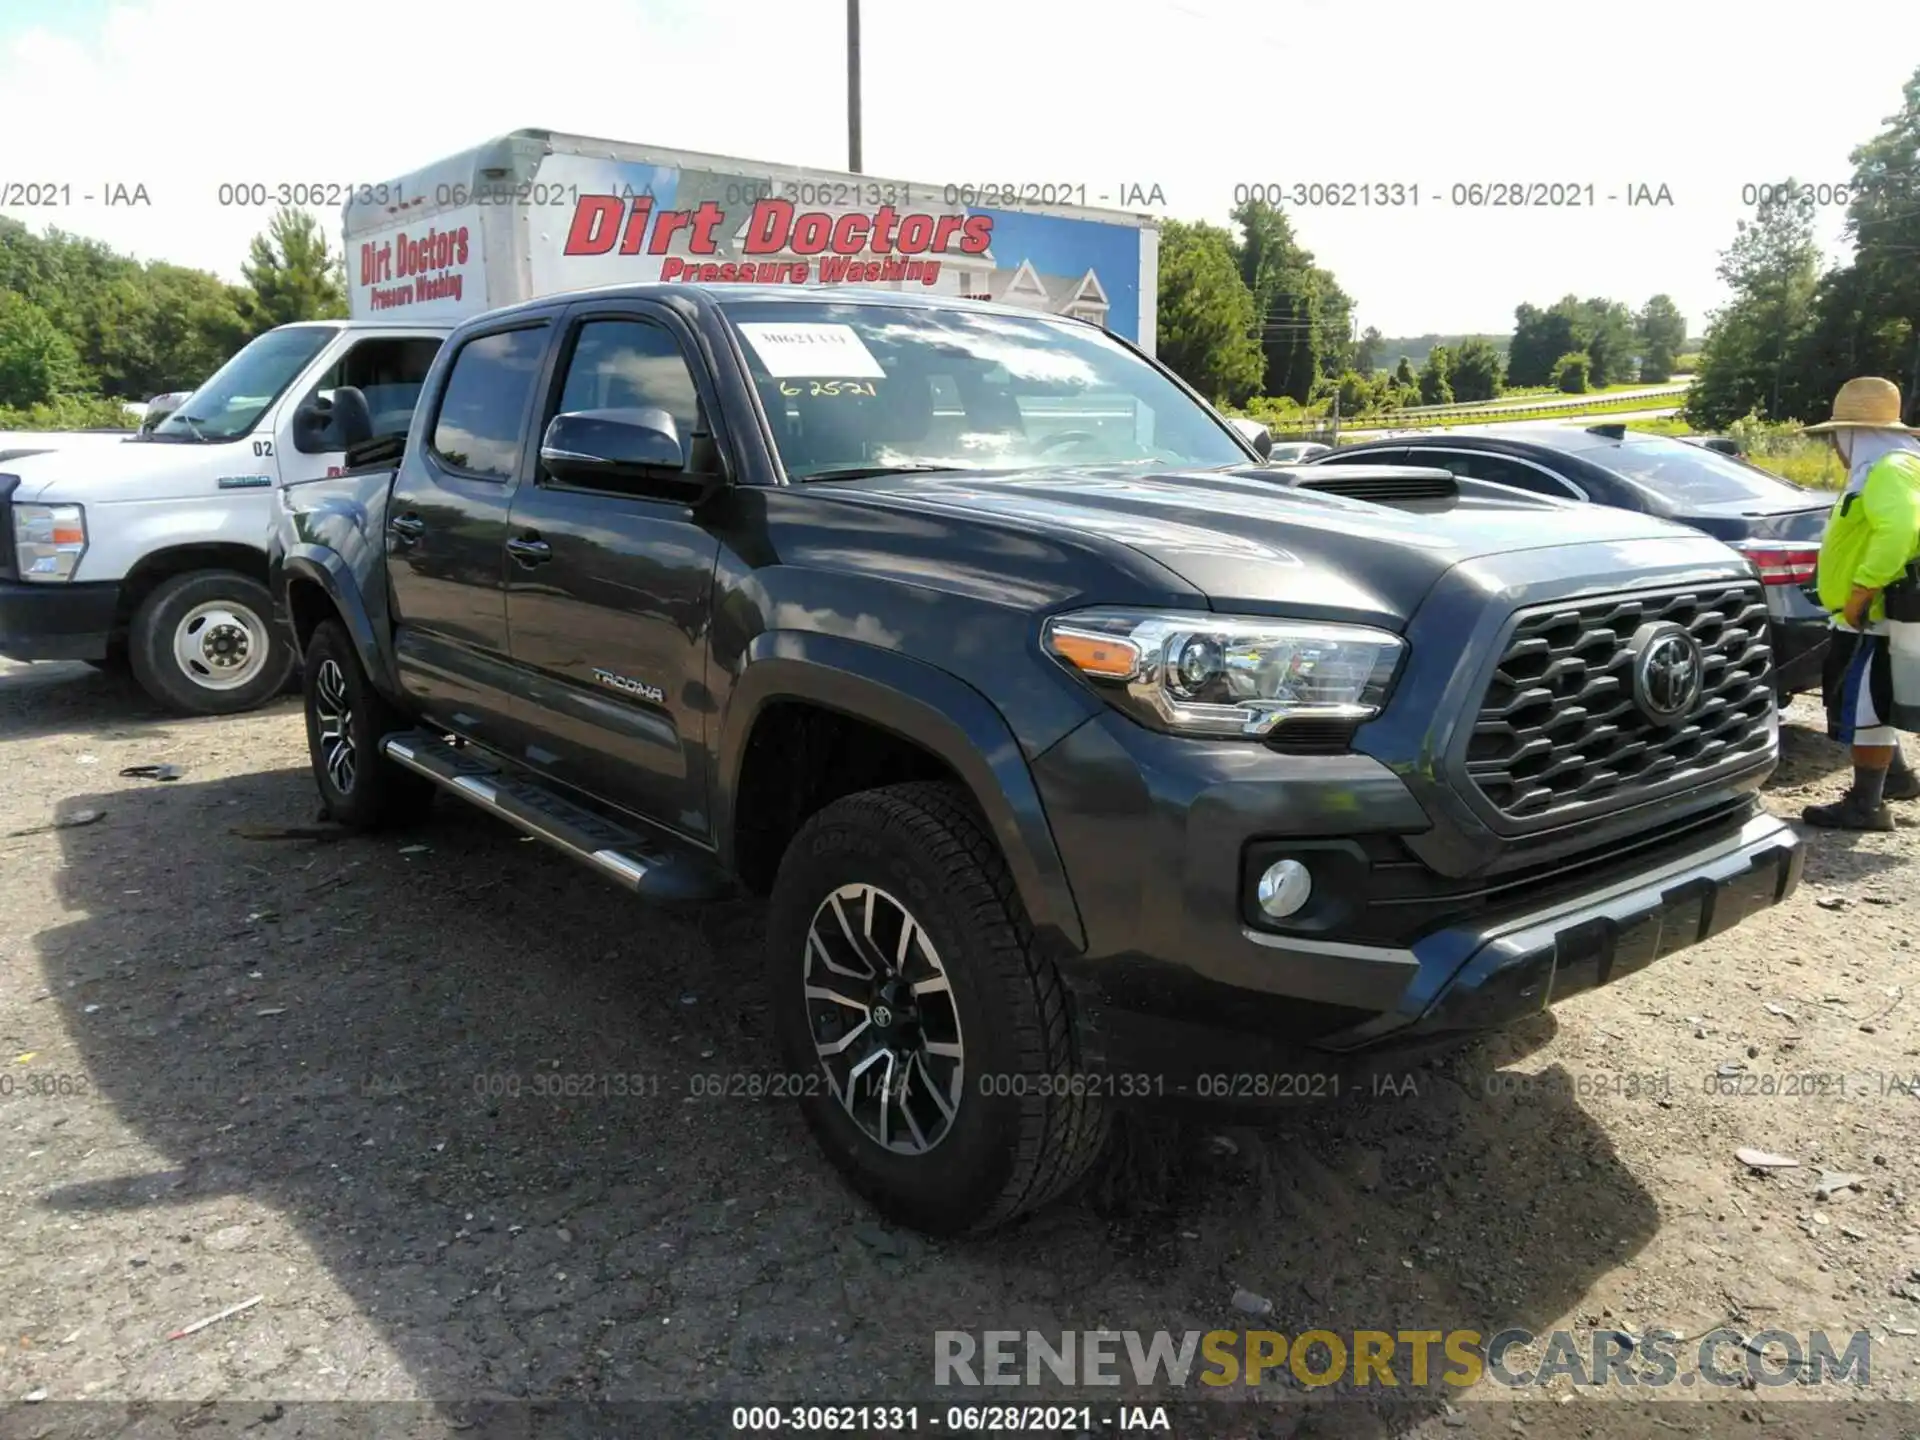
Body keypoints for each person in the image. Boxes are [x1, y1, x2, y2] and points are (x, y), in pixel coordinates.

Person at [1801, 376, 1920, 830]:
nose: (1834, 445)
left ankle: (1866, 806)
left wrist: (1861, 590)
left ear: (1854, 433)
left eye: (1837, 434)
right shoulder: (1894, 466)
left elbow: (1899, 531)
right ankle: (1899, 778)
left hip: (1875, 614)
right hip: (1876, 613)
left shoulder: (1889, 469)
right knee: (1877, 697)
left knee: (1867, 705)